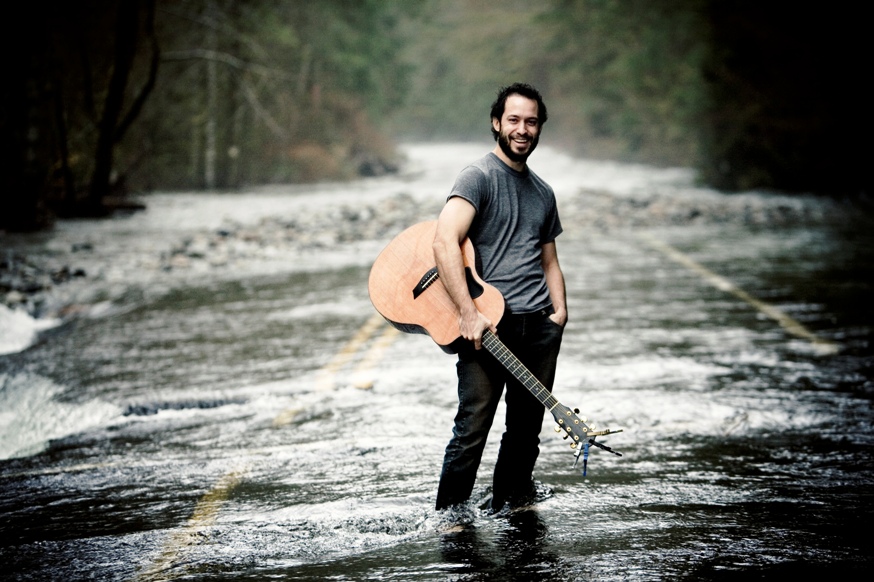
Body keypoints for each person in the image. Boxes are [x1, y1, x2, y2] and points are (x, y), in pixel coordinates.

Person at [432, 83, 567, 513]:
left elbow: (549, 260)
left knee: (526, 431)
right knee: (473, 425)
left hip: (538, 324)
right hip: (487, 325)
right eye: (514, 120)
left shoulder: (544, 192)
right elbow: (443, 242)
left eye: (531, 121)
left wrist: (559, 313)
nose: (522, 129)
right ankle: (450, 520)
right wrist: (467, 314)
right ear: (497, 123)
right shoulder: (478, 177)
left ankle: (511, 508)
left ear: (539, 128)